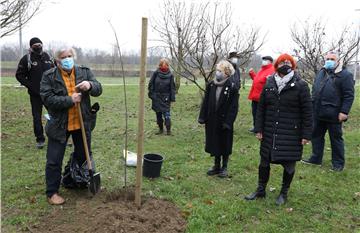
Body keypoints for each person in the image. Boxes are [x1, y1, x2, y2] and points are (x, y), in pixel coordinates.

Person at [244, 54, 312, 205]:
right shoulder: (269, 82)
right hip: (269, 130)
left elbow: (308, 112)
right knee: (264, 162)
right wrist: (258, 128)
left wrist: (306, 134)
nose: (285, 64)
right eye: (282, 62)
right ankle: (260, 190)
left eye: (289, 62)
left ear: (293, 65)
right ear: (277, 65)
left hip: (291, 133)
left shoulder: (301, 85)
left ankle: (283, 193)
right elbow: (261, 108)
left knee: (288, 164)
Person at [40, 48, 102, 205]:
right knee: (54, 160)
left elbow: (98, 88)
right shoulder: (49, 76)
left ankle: (76, 179)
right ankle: (52, 192)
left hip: (82, 123)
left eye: (69, 56)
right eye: (63, 57)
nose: (67, 59)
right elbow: (47, 98)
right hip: (60, 125)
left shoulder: (84, 72)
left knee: (83, 155)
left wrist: (90, 85)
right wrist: (69, 99)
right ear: (57, 60)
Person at [302, 52, 355, 172]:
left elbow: (349, 95)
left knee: (336, 139)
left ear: (338, 61)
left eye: (332, 59)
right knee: (316, 136)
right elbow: (315, 89)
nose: (329, 61)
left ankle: (338, 164)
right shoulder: (322, 72)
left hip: (334, 114)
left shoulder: (345, 75)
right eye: (327, 59)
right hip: (318, 112)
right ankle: (316, 158)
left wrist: (344, 112)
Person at [198, 60, 239, 178]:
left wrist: (228, 122)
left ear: (226, 73)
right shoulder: (211, 85)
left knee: (224, 143)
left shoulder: (232, 87)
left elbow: (234, 107)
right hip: (212, 119)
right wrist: (202, 116)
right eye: (217, 70)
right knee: (214, 142)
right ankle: (216, 165)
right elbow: (205, 102)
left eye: (220, 71)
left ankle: (224, 167)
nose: (217, 73)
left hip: (224, 121)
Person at [15, 37, 54, 149]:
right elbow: (19, 75)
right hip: (35, 94)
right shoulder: (26, 59)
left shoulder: (48, 57)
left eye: (40, 44)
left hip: (49, 94)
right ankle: (40, 139)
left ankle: (56, 135)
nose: (38, 46)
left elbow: (55, 71)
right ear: (31, 47)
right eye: (35, 45)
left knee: (54, 115)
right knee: (37, 117)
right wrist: (31, 86)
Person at [148, 58, 176, 135]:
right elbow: (151, 85)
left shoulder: (171, 75)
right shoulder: (156, 73)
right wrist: (152, 95)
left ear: (168, 66)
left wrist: (172, 98)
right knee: (158, 114)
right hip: (156, 97)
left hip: (166, 98)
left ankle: (168, 131)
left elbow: (172, 88)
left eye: (165, 65)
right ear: (159, 65)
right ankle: (160, 129)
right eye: (162, 65)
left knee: (167, 114)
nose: (164, 67)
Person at [248, 56, 275, 133]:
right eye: (263, 60)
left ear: (270, 61)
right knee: (255, 113)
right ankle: (255, 127)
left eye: (266, 60)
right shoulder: (262, 70)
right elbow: (257, 79)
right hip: (255, 96)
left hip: (262, 96)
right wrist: (252, 74)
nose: (264, 61)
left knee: (261, 114)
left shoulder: (272, 70)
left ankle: (261, 128)